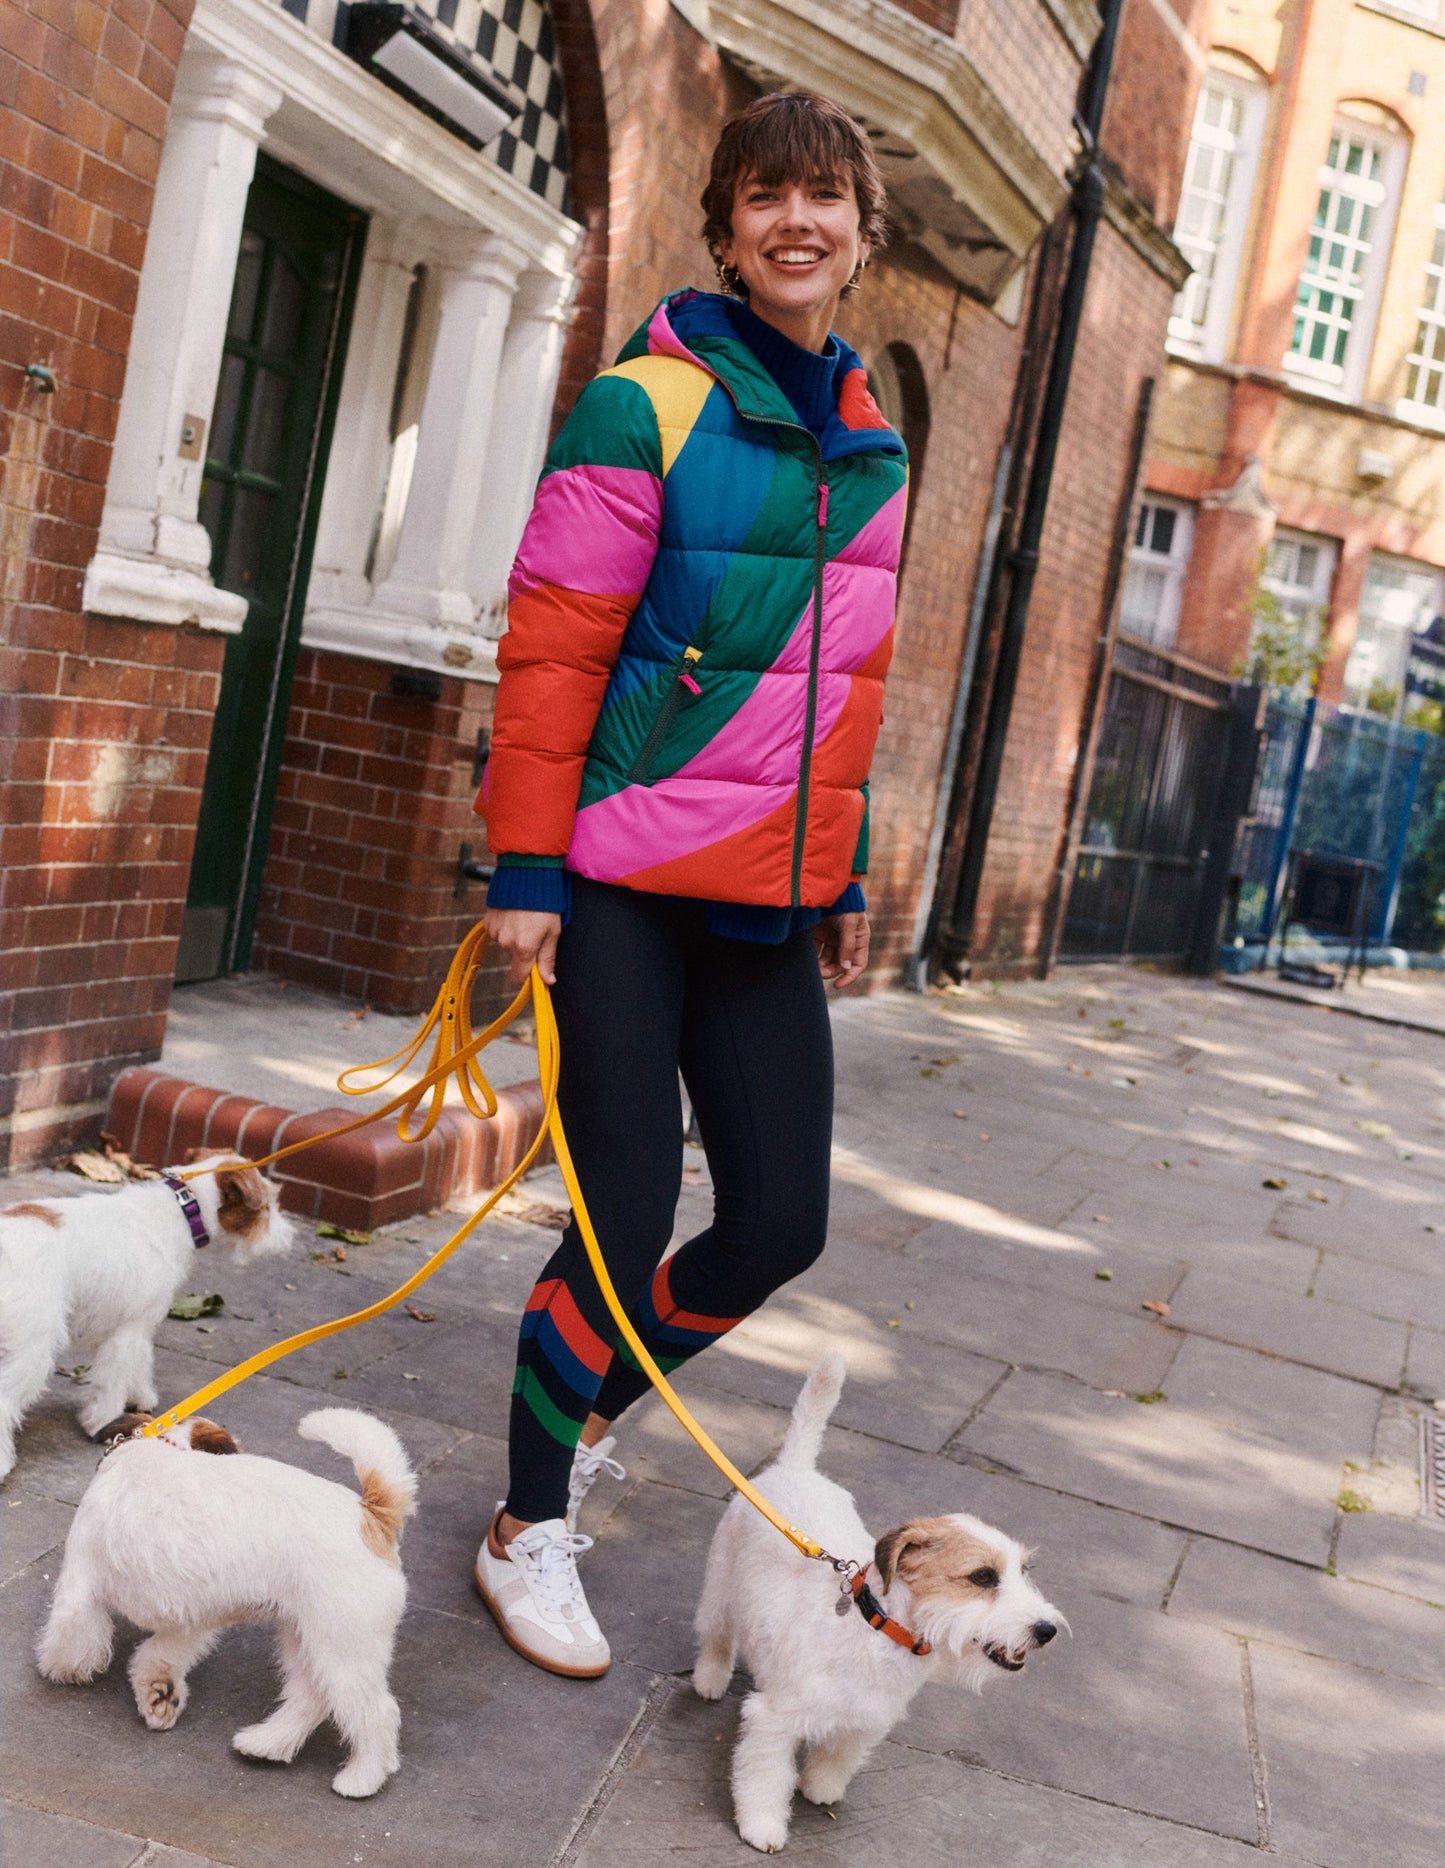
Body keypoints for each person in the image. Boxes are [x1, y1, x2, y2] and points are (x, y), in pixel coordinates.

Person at [473, 90, 907, 1678]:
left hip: (769, 896)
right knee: (625, 1218)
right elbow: (554, 650)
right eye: (766, 196)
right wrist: (526, 864)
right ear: (724, 227)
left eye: (826, 198)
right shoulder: (642, 402)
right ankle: (527, 1524)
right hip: (621, 882)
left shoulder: (871, 439)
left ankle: (564, 1420)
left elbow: (843, 681)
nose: (797, 222)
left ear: (861, 233)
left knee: (776, 1223)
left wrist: (840, 870)